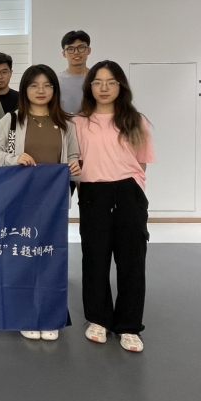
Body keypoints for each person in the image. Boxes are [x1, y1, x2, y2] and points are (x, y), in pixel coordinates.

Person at [0, 64, 81, 342]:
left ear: (55, 89)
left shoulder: (66, 123)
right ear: (25, 89)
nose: (41, 91)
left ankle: (49, 315)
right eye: (34, 85)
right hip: (20, 201)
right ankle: (25, 314)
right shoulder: (11, 120)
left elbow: (74, 156)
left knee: (51, 258)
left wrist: (75, 165)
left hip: (53, 203)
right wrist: (13, 158)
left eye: (47, 85)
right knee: (22, 257)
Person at [74, 60, 155, 353]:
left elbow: (141, 162)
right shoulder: (78, 122)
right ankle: (98, 319)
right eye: (97, 82)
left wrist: (132, 190)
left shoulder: (136, 120)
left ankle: (129, 326)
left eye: (110, 82)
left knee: (132, 261)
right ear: (89, 87)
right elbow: (74, 161)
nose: (104, 88)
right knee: (94, 259)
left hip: (128, 193)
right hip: (93, 194)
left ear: (121, 86)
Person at [57, 30, 92, 115]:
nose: (76, 52)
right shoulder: (56, 80)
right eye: (70, 49)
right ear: (64, 54)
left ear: (88, 50)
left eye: (81, 47)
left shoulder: (97, 78)